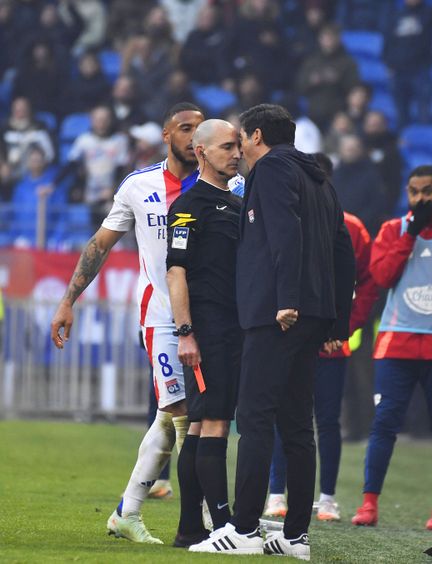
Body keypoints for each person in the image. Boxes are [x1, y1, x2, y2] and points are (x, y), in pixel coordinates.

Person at [189, 104, 356, 560]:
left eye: (241, 137)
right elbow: (343, 249)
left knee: (257, 418)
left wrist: (286, 299)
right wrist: (336, 322)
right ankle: (295, 537)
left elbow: (283, 234)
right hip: (316, 315)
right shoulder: (320, 177)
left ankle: (242, 530)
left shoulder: (273, 170)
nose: (239, 147)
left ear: (257, 135)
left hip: (277, 315)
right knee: (298, 425)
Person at [50, 102, 205, 544]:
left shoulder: (225, 184)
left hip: (210, 317)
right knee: (183, 416)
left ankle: (126, 512)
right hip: (159, 317)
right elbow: (99, 244)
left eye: (199, 130)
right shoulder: (139, 186)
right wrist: (67, 301)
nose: (193, 138)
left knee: (177, 417)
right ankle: (209, 516)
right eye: (184, 129)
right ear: (165, 135)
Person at [351, 165, 432, 530]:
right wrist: (409, 235)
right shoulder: (394, 231)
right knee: (384, 425)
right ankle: (368, 504)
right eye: (414, 191)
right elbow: (381, 278)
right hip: (397, 344)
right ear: (407, 193)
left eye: (427, 191)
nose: (421, 198)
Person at [264, 153, 379, 523]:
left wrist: (342, 328)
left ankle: (327, 498)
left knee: (327, 420)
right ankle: (276, 493)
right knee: (286, 416)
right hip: (290, 337)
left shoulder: (353, 228)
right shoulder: (284, 220)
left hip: (331, 343)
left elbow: (368, 282)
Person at [166, 119, 242, 546]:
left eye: (237, 146)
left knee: (199, 426)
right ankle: (224, 524)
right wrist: (186, 332)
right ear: (202, 152)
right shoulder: (190, 204)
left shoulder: (233, 200)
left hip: (231, 327)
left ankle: (189, 528)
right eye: (227, 147)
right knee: (213, 422)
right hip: (210, 330)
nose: (235, 153)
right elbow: (177, 272)